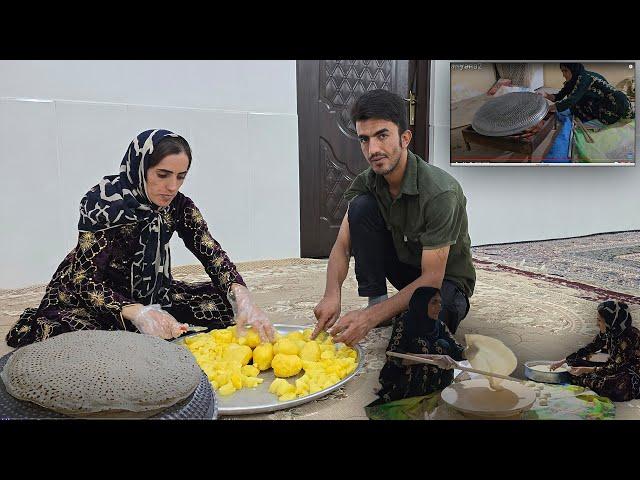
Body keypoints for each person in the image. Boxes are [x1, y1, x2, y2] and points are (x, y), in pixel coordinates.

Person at [6, 129, 275, 347]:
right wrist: (137, 312)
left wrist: (242, 296)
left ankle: (149, 318)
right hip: (92, 294)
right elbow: (84, 281)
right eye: (162, 175)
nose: (172, 187)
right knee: (88, 341)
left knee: (223, 307)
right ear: (141, 167)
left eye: (181, 177)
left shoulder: (178, 206)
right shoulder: (103, 203)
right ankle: (136, 321)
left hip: (151, 290)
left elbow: (211, 252)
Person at [312, 89, 475, 346]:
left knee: (418, 340)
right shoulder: (368, 181)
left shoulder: (442, 192)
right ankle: (378, 302)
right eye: (364, 139)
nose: (373, 149)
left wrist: (368, 318)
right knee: (360, 207)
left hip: (446, 283)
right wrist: (331, 294)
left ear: (405, 138)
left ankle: (385, 313)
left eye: (382, 135)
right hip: (406, 268)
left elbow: (432, 278)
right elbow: (342, 245)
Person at [375, 287, 475, 402]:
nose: (439, 307)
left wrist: (470, 351)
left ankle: (436, 392)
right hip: (408, 382)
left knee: (442, 345)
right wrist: (432, 358)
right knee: (421, 345)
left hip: (435, 385)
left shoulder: (439, 326)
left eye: (440, 303)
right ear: (420, 303)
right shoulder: (404, 323)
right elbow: (393, 355)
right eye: (434, 302)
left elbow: (456, 350)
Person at [550, 300, 640, 402]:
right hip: (613, 367)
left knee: (609, 386)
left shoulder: (628, 338)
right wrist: (564, 361)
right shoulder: (611, 330)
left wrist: (585, 369)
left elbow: (615, 368)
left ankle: (584, 379)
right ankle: (583, 378)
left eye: (600, 321)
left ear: (611, 322)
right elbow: (591, 347)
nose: (597, 324)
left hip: (630, 374)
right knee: (573, 362)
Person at [540, 63, 635, 124]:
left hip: (609, 102)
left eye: (565, 71)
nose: (563, 75)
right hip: (594, 100)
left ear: (573, 69)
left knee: (573, 102)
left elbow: (571, 100)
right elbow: (559, 96)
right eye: (562, 71)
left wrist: (546, 109)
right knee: (573, 103)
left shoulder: (584, 78)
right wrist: (546, 95)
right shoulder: (572, 81)